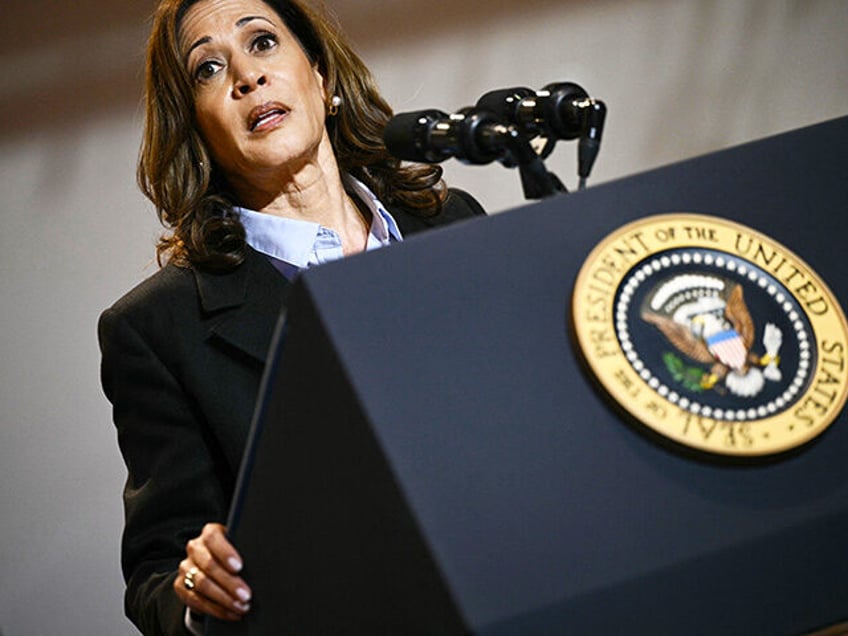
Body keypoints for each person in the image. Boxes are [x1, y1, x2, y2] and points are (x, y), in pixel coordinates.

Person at [97, 0, 485, 633]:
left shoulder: (452, 222)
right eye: (208, 69)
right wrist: (198, 590)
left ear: (323, 78)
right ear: (198, 128)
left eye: (263, 43)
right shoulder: (157, 328)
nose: (246, 77)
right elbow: (158, 574)